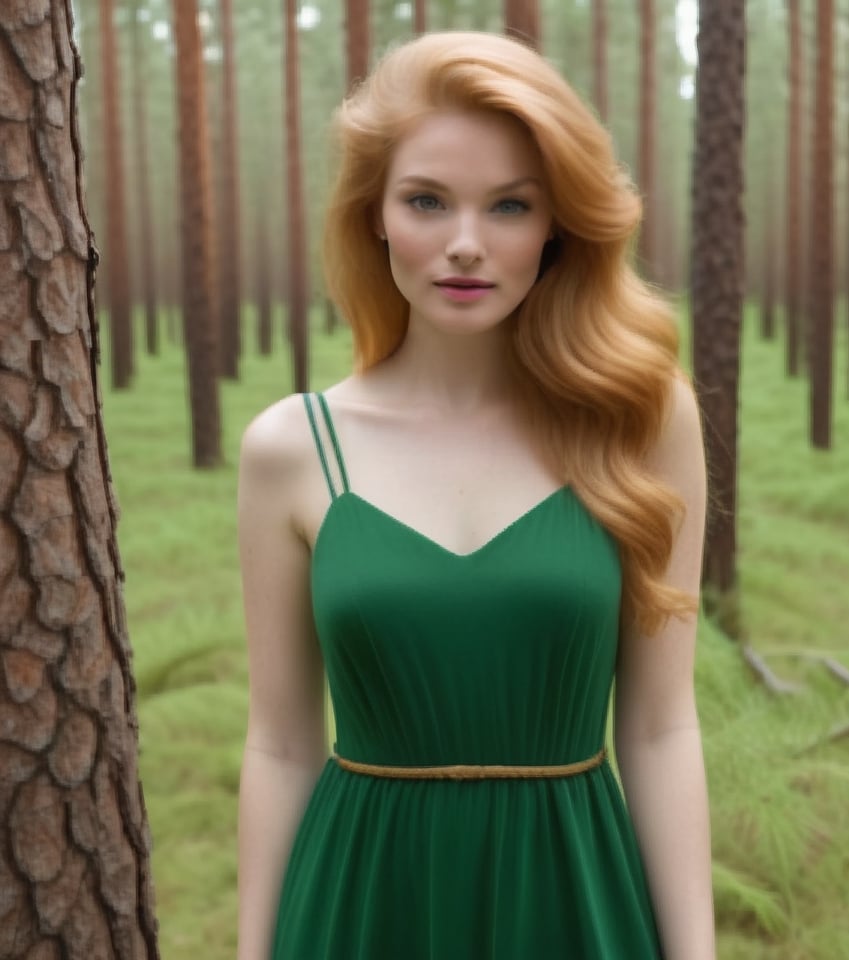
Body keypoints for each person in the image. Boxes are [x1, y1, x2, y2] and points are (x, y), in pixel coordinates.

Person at [236, 30, 715, 960]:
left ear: (557, 225)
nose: (464, 244)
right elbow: (280, 742)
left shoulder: (643, 422)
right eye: (426, 201)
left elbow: (660, 729)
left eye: (508, 206)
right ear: (374, 214)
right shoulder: (292, 450)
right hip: (362, 904)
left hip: (572, 895)